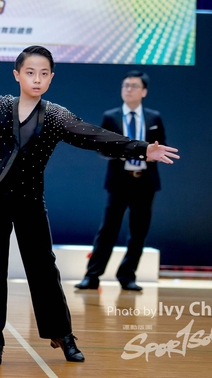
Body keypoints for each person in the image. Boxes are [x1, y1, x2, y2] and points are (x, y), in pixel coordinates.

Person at [0, 45, 179, 365]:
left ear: (51, 78)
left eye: (43, 74)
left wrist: (140, 149)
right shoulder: (3, 105)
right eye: (30, 72)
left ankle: (62, 334)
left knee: (43, 267)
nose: (37, 79)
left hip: (30, 199)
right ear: (17, 75)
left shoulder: (56, 115)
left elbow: (94, 136)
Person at [75, 71, 166, 292]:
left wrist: (150, 155)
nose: (128, 89)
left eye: (134, 86)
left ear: (144, 92)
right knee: (108, 229)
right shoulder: (111, 117)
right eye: (125, 85)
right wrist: (123, 153)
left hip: (145, 181)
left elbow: (160, 146)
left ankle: (127, 275)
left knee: (138, 231)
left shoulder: (154, 118)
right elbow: (101, 147)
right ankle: (92, 276)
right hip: (119, 180)